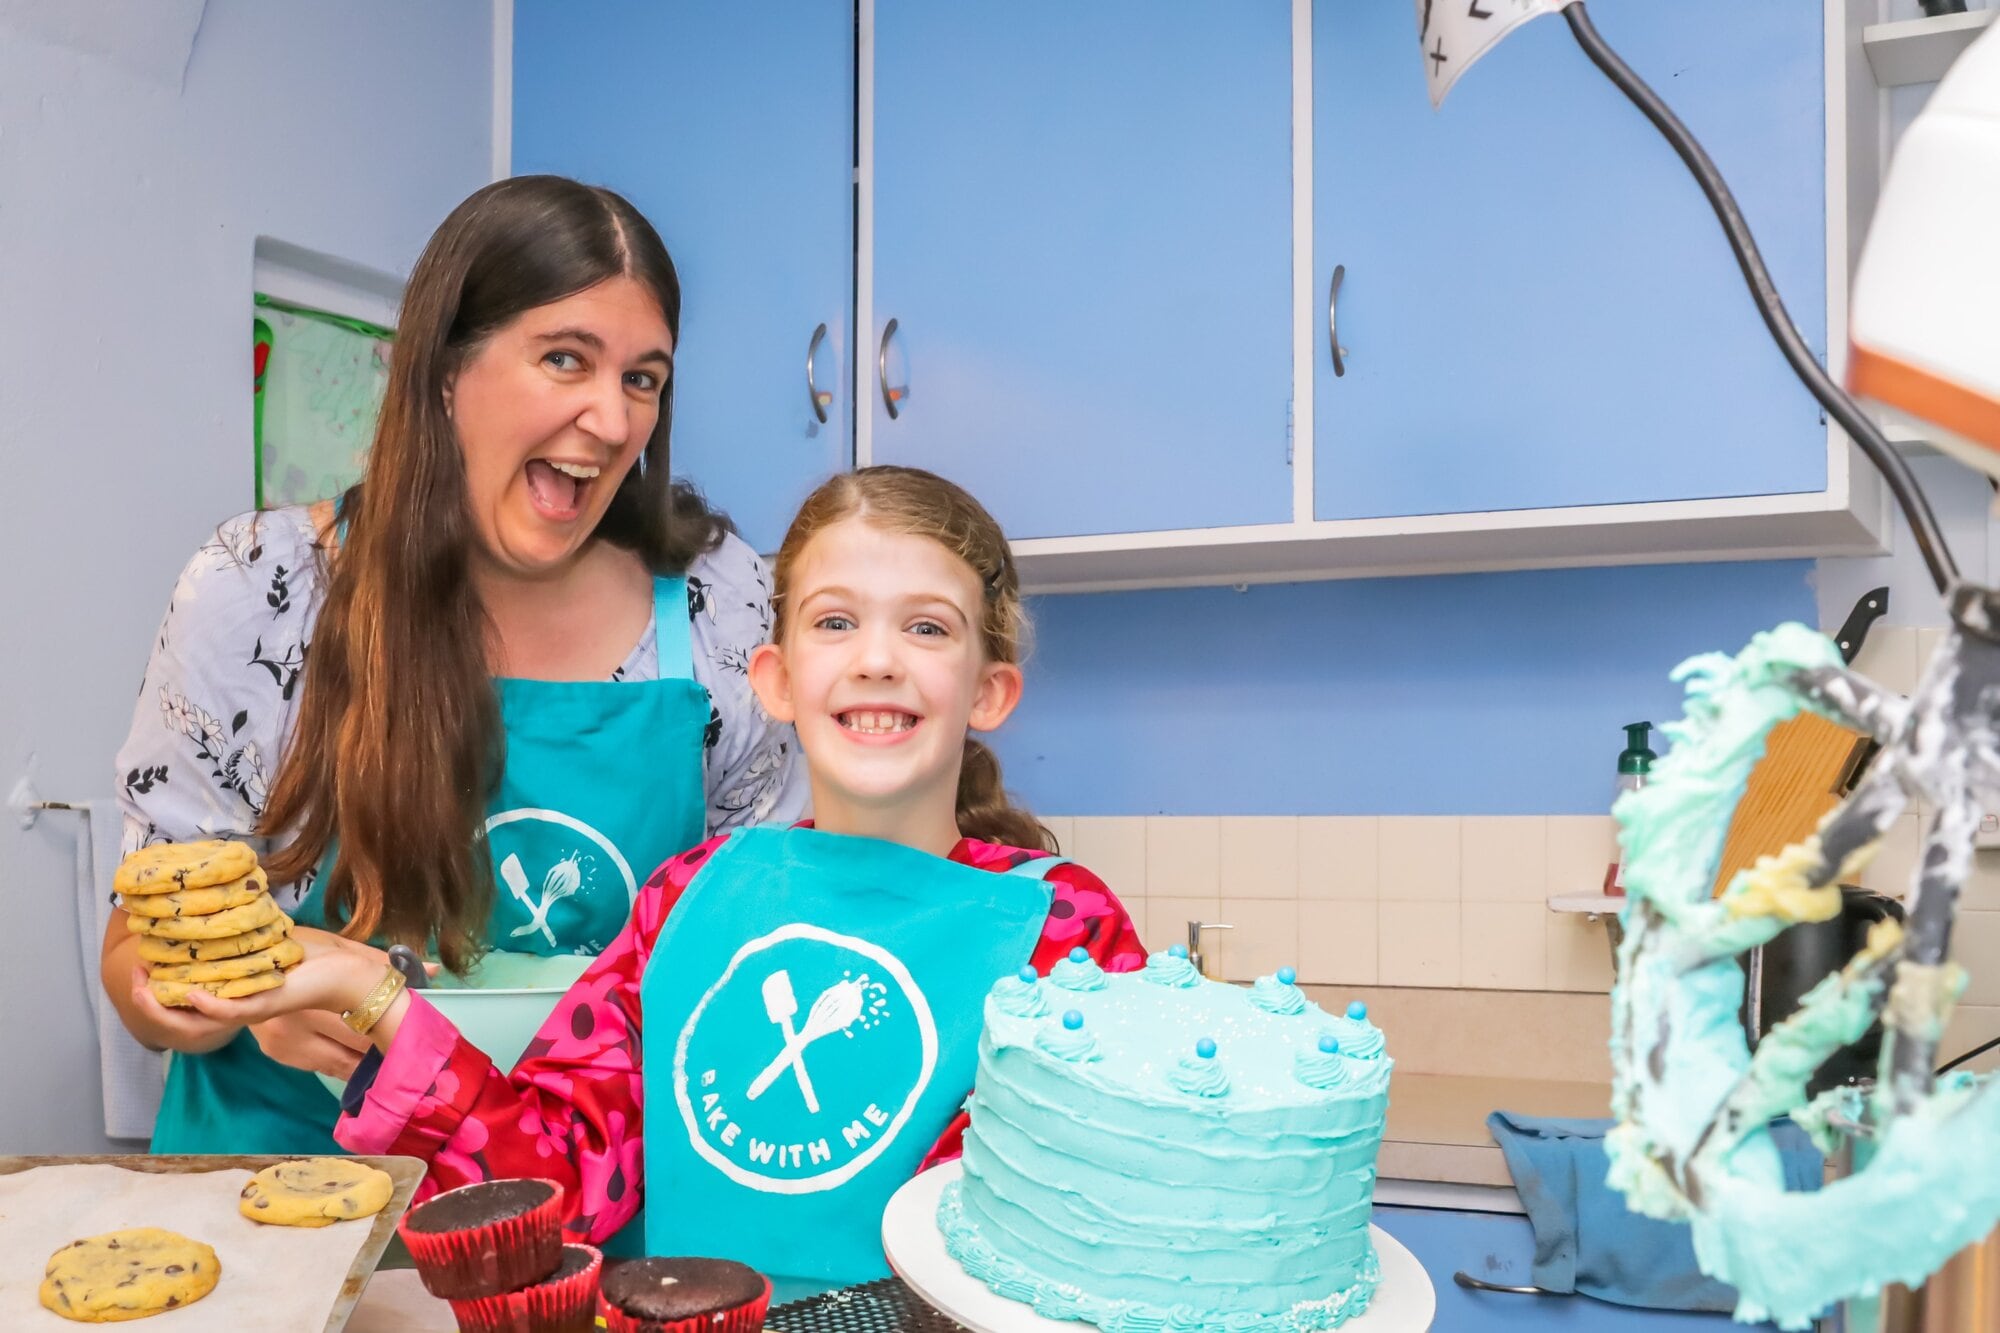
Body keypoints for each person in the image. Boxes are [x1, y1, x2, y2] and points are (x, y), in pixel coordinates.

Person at [189, 466, 1145, 1283]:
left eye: (928, 629)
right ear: (773, 678)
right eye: (837, 621)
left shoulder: (1062, 931)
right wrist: (376, 997)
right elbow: (556, 1188)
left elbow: (1044, 1232)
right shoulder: (685, 903)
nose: (880, 660)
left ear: (991, 690)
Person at [108, 175, 807, 1155]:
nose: (610, 420)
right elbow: (139, 946)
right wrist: (213, 1002)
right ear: (444, 372)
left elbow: (762, 938)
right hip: (279, 1196)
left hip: (578, 1205)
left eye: (642, 379)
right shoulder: (257, 591)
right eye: (566, 359)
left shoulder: (718, 602)